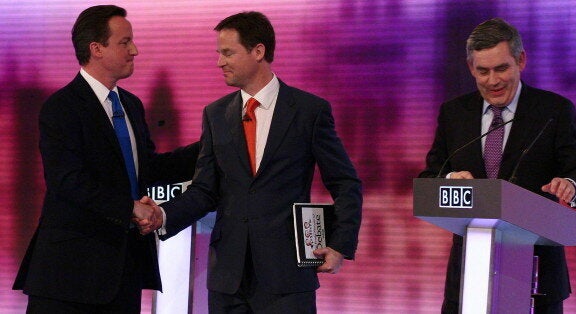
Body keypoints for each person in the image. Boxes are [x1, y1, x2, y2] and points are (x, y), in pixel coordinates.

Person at [139, 11, 362, 313]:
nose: (220, 62)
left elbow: (345, 182)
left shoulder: (309, 111)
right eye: (219, 53)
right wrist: (162, 216)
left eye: (228, 52)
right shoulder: (216, 114)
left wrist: (339, 246)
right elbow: (205, 190)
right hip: (228, 279)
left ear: (258, 51)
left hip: (286, 276)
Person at [12, 5, 199, 313]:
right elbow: (68, 182)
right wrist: (130, 208)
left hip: (123, 271)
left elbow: (147, 169)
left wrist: (213, 145)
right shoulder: (62, 108)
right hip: (69, 276)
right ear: (96, 49)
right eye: (124, 42)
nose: (135, 50)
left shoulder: (131, 105)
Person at [418, 18, 576, 314]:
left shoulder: (553, 111)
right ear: (470, 68)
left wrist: (571, 185)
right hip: (468, 279)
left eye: (501, 68)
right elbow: (430, 176)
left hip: (537, 278)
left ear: (521, 60)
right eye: (482, 71)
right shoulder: (454, 113)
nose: (493, 80)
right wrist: (450, 178)